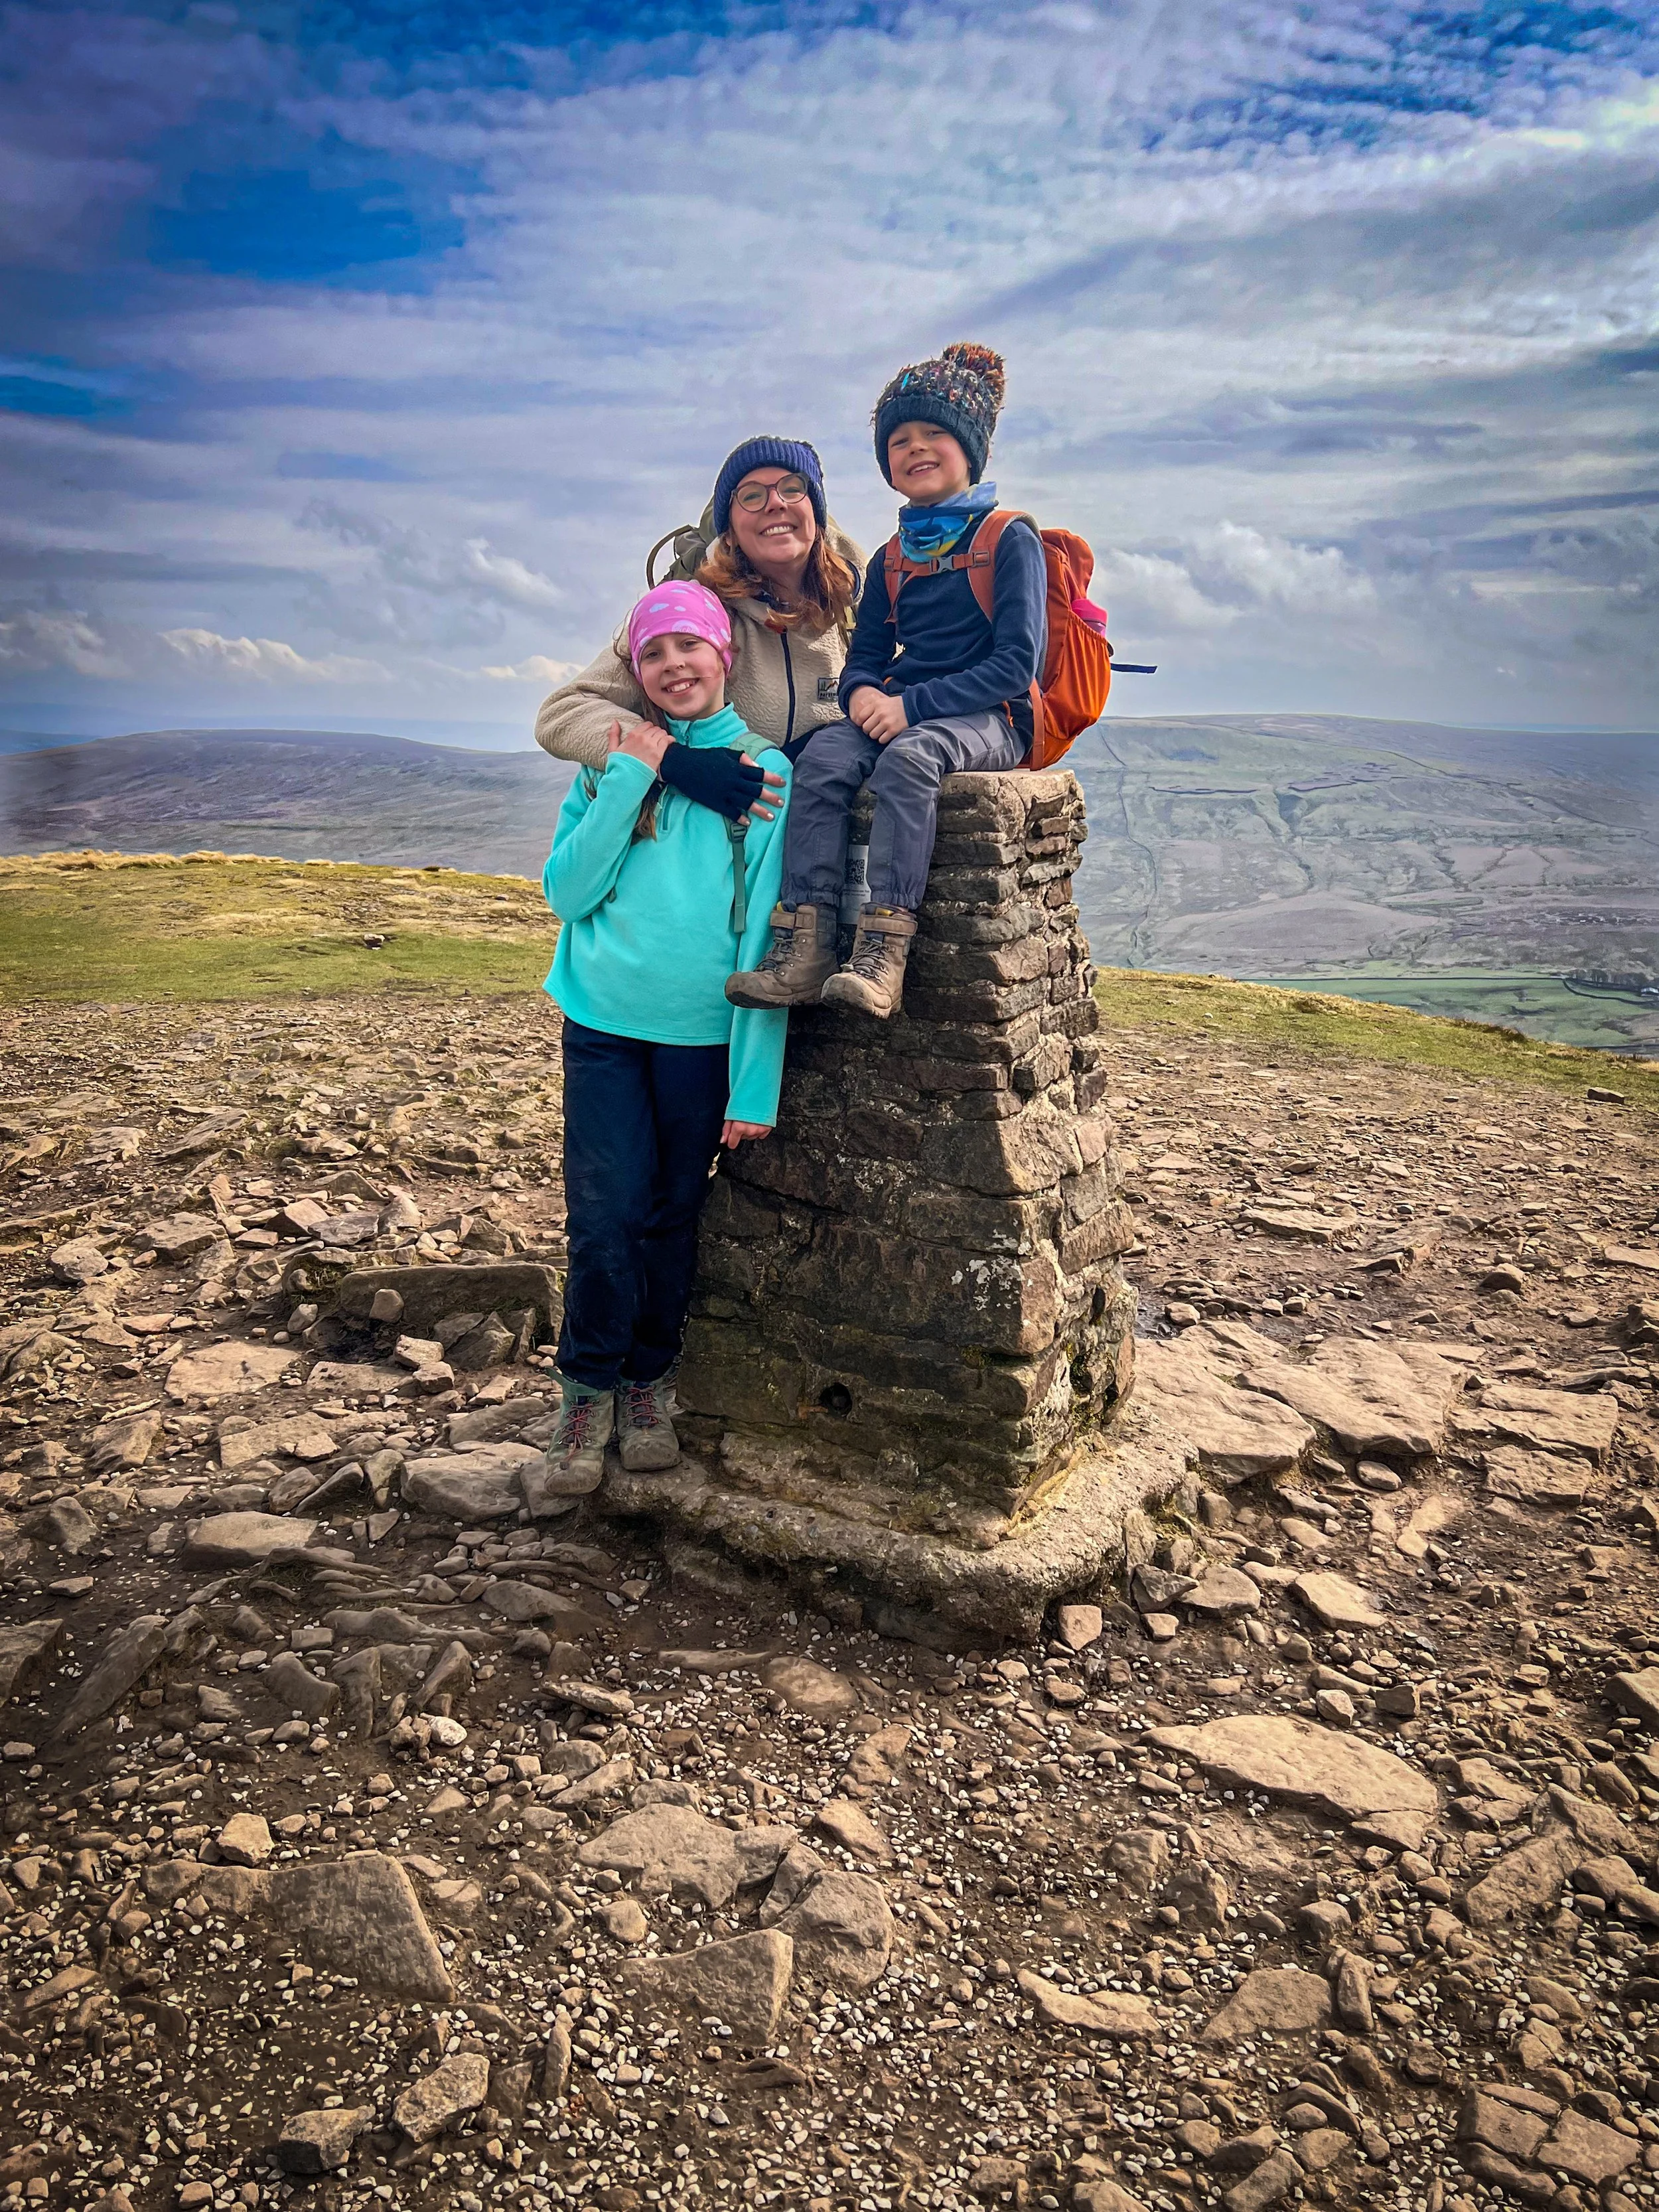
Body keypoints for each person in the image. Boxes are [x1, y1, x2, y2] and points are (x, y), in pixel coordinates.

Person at [540, 579, 792, 1489]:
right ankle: (585, 1391)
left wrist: (754, 1082)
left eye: (690, 646)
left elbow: (768, 933)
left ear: (724, 656)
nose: (674, 665)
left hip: (700, 1041)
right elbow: (567, 894)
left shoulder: (768, 772)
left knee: (667, 1220)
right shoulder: (611, 756)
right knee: (601, 1220)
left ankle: (648, 1382)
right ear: (636, 672)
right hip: (602, 1024)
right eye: (654, 653)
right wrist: (637, 768)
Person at [726, 342, 1045, 1022]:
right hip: (908, 708)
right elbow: (867, 653)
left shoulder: (1009, 537)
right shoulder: (893, 555)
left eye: (934, 434)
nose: (916, 448)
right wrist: (863, 695)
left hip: (991, 715)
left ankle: (883, 952)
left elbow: (1017, 665)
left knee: (910, 759)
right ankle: (804, 946)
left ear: (970, 450)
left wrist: (911, 710)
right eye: (899, 440)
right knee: (822, 758)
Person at [535, 439, 862, 836]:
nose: (776, 504)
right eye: (751, 496)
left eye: (793, 488)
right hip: (723, 853)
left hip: (827, 846)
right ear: (730, 529)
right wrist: (674, 761)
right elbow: (563, 712)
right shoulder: (689, 613)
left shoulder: (864, 603)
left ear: (818, 512)